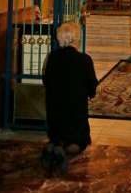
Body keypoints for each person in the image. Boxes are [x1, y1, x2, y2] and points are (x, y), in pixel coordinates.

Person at [40, 21, 98, 175]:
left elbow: (45, 80)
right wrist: (90, 93)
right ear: (77, 38)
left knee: (57, 132)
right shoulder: (85, 60)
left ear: (60, 38)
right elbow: (92, 85)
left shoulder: (52, 57)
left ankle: (55, 144)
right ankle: (66, 148)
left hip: (54, 110)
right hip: (75, 110)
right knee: (80, 142)